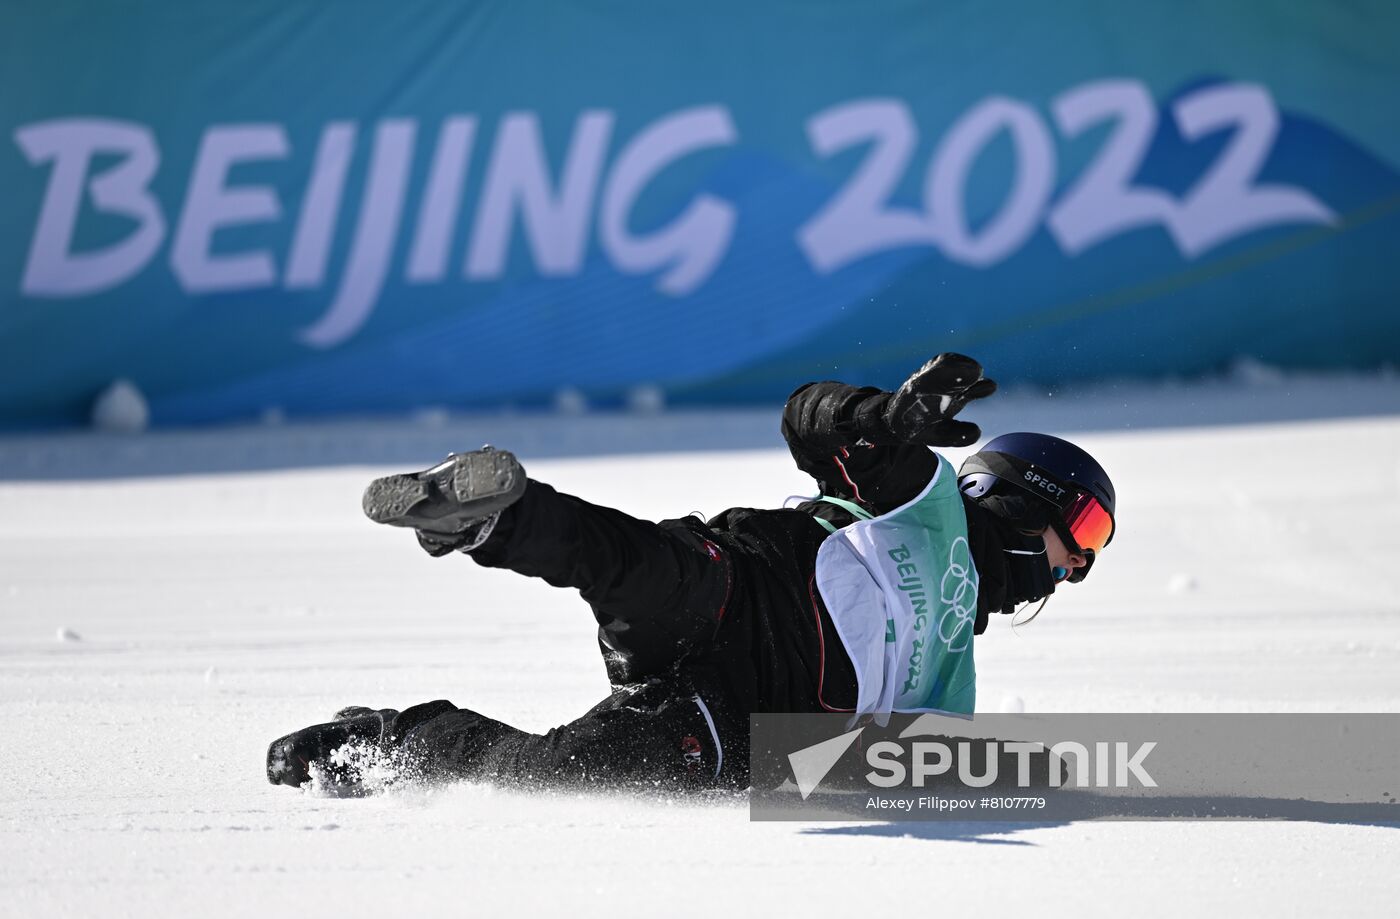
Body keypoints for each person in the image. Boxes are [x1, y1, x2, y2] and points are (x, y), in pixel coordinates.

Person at [266, 354, 1116, 794]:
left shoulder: (955, 687)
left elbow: (869, 775)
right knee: (616, 560)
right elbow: (808, 419)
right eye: (1081, 530)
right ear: (1018, 495)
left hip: (731, 715)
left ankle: (387, 743)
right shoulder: (925, 499)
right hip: (738, 582)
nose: (1073, 569)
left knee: (555, 782)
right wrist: (881, 417)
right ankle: (490, 516)